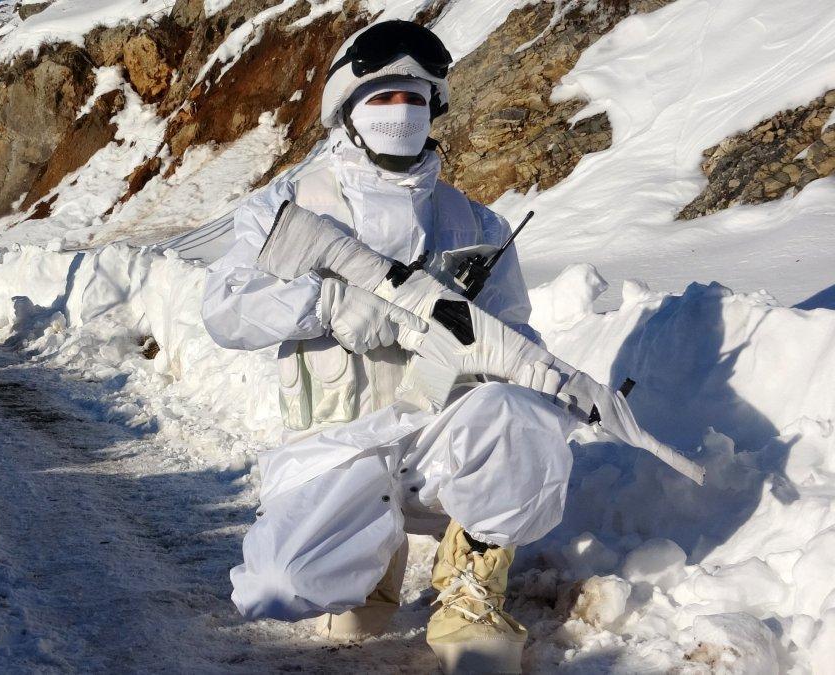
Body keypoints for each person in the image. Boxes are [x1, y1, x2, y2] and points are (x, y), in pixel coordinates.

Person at [202, 20, 573, 673]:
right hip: (337, 447)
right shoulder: (289, 207)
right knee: (282, 581)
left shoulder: (474, 220)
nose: (401, 110)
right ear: (344, 110)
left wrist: (471, 338)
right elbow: (225, 310)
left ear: (435, 106)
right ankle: (371, 571)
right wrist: (325, 302)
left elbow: (515, 332)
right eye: (382, 97)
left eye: (414, 96)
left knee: (522, 409)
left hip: (440, 440)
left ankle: (469, 594)